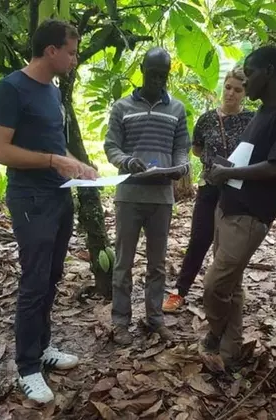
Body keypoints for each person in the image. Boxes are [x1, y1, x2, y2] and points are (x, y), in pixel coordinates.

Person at [0, 19, 97, 404]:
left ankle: (43, 346)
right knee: (34, 282)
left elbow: (55, 145)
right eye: (71, 51)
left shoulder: (52, 92)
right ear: (51, 51)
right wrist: (54, 161)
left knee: (51, 276)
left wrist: (77, 165)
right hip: (30, 199)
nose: (75, 57)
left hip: (59, 195)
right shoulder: (10, 89)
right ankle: (27, 367)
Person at [202, 45, 276, 370]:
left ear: (269, 72)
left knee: (214, 286)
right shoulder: (260, 115)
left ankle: (215, 331)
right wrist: (220, 169)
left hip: (250, 216)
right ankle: (230, 352)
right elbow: (249, 158)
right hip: (226, 209)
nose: (246, 80)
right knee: (232, 287)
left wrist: (228, 172)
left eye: (251, 73)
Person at [104, 47, 190, 346]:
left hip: (161, 197)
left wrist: (180, 166)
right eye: (152, 74)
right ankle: (120, 322)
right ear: (141, 69)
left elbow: (182, 147)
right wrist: (126, 161)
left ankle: (154, 319)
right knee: (123, 262)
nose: (157, 80)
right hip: (129, 194)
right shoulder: (122, 107)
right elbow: (111, 146)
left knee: (157, 264)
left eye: (163, 75)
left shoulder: (177, 109)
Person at [162, 67, 254, 313]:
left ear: (245, 92)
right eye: (228, 87)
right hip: (209, 187)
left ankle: (225, 293)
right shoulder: (206, 119)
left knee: (229, 247)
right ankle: (180, 291)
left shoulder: (251, 120)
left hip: (237, 190)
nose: (231, 94)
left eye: (238, 89)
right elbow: (197, 149)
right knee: (199, 239)